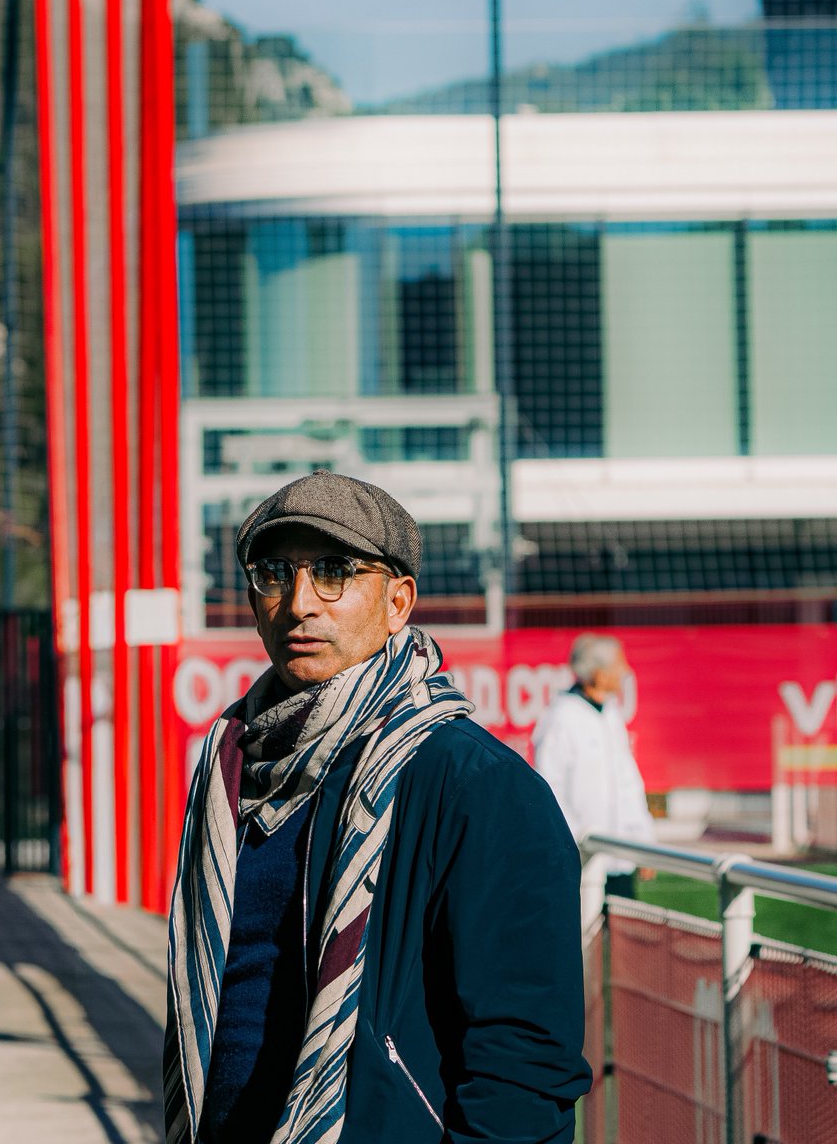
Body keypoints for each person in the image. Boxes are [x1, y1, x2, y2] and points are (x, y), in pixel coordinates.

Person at [164, 469, 591, 1144]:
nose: (299, 601)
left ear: (398, 602)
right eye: (274, 572)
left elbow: (525, 1065)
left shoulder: (475, 785)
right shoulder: (233, 768)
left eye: (334, 571)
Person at [532, 633, 655, 898]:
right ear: (598, 674)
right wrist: (577, 840)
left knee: (622, 933)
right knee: (585, 935)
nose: (626, 672)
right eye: (619, 665)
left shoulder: (610, 714)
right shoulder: (561, 718)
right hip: (582, 860)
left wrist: (643, 840)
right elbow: (550, 788)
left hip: (619, 856)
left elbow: (627, 782)